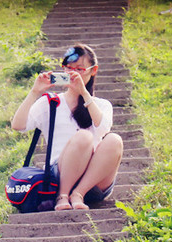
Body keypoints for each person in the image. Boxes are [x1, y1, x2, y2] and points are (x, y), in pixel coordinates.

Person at [11, 44, 123, 210]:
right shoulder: (50, 103)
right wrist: (35, 92)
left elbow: (103, 128)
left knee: (114, 139)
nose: (73, 74)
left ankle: (78, 194)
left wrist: (84, 94)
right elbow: (18, 126)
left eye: (80, 69)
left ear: (93, 71)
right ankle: (62, 196)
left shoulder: (101, 105)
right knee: (83, 137)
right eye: (69, 68)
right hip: (59, 177)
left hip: (93, 182)